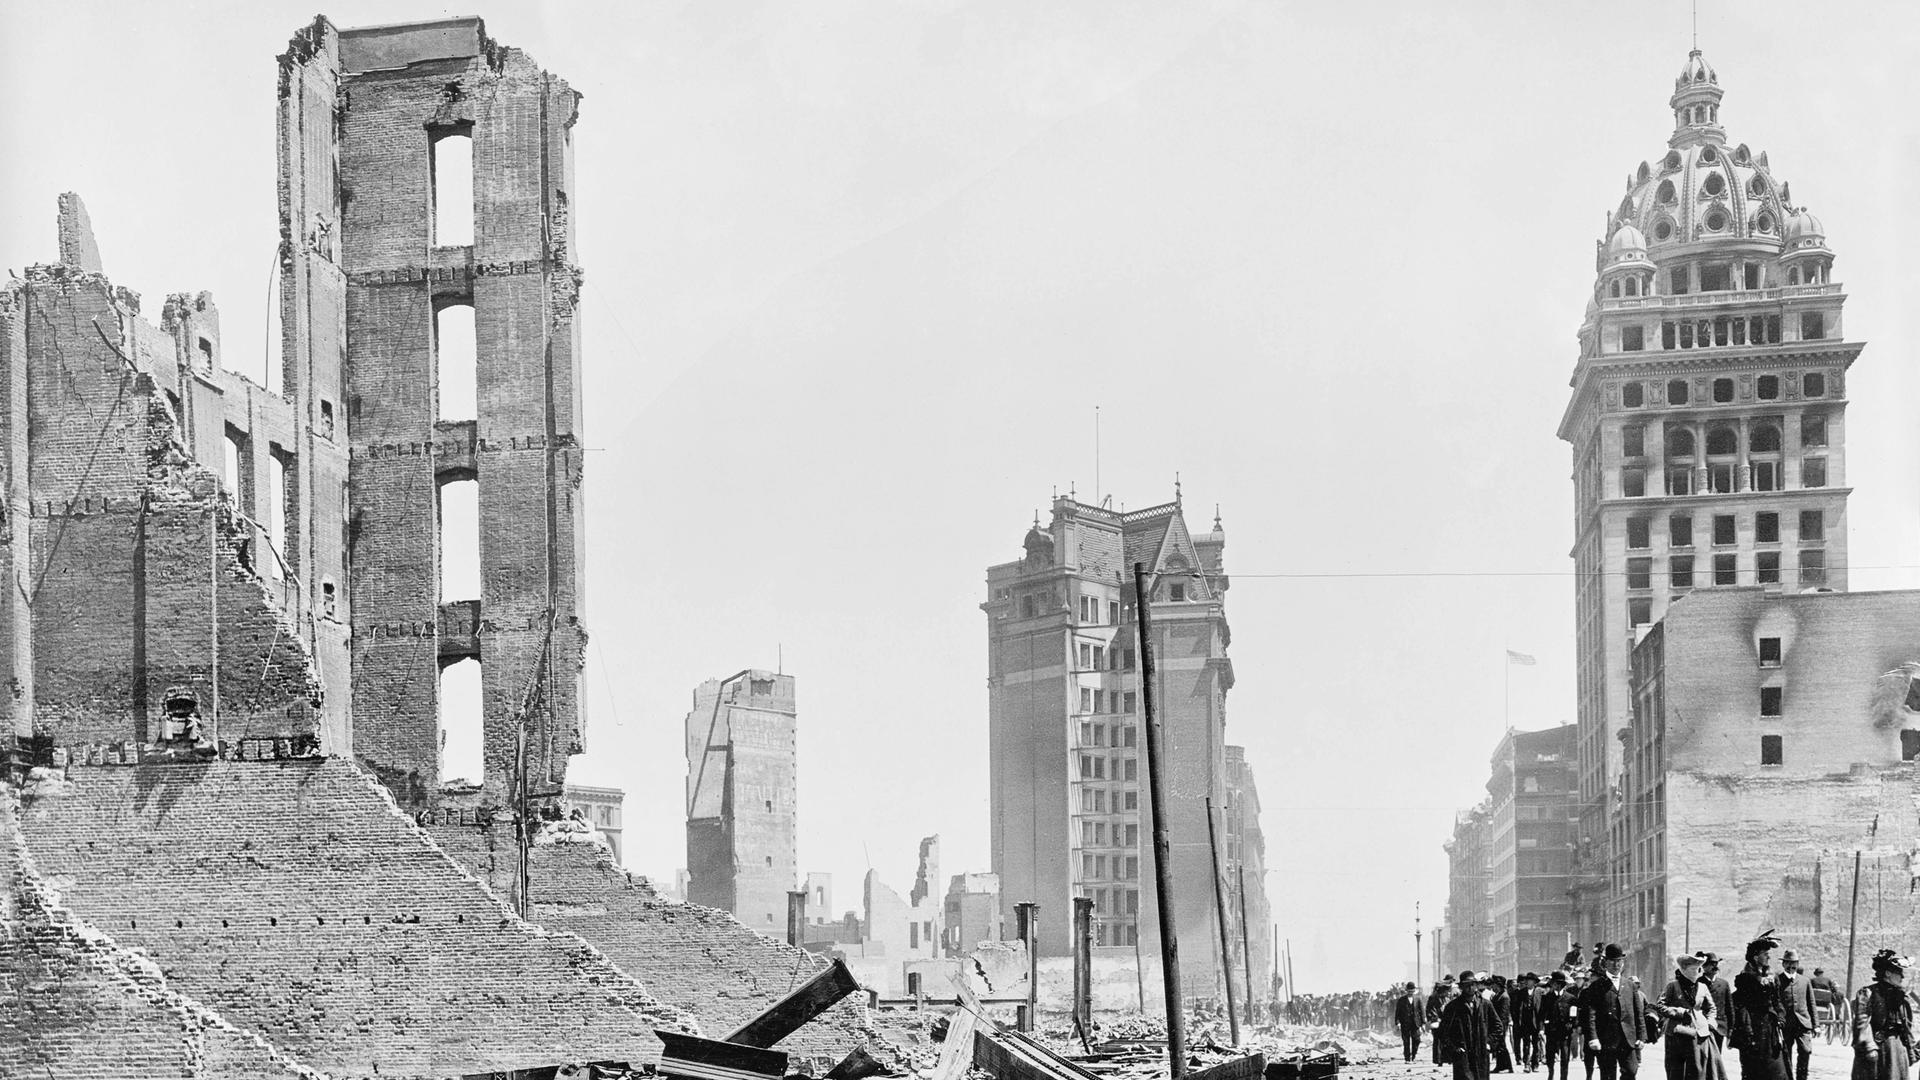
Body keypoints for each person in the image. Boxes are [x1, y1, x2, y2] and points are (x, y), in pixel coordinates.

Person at [1730, 932, 1792, 1080]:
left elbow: (1777, 1002)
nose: (1768, 957)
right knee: (1754, 1071)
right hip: (1752, 1031)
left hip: (1771, 1032)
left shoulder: (1773, 977)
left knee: (1776, 1070)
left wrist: (1781, 1017)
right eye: (1765, 954)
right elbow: (1742, 1007)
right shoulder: (1745, 979)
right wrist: (1748, 1030)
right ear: (1755, 957)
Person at [1579, 943, 1644, 1080]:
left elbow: (1638, 1013)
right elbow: (1590, 1014)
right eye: (1613, 961)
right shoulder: (1596, 987)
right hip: (1606, 1039)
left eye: (1619, 961)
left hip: (1628, 1039)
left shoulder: (1630, 985)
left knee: (1631, 1071)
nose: (1616, 965)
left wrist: (1641, 1036)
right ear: (1605, 963)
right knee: (1608, 1076)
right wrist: (1593, 1038)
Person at [1852, 949, 1913, 1080]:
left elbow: (1907, 1026)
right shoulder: (1868, 993)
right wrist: (1869, 1048)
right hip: (1878, 1049)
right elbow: (1862, 1023)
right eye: (1899, 973)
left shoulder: (1902, 996)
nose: (1902, 977)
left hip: (1897, 1049)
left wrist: (1911, 1051)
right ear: (1888, 973)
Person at [1658, 952, 1717, 1080]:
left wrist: (1710, 1023)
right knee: (1675, 1071)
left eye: (1698, 969)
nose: (1696, 972)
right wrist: (1679, 1012)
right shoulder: (1673, 986)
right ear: (1683, 970)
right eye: (1692, 969)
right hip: (1676, 1034)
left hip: (1698, 1035)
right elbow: (1661, 1006)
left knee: (1697, 1070)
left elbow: (1711, 1008)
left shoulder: (1702, 987)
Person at [1444, 971, 1496, 1080]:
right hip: (1463, 1054)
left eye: (1473, 984)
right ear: (1461, 987)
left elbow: (1497, 1026)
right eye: (1466, 985)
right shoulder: (1453, 1007)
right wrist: (1454, 1048)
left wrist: (1489, 1043)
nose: (1470, 988)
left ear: (1476, 986)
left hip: (1481, 1052)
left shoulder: (1485, 1004)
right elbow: (1443, 1032)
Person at [1780, 949, 1817, 1080]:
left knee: (1806, 1051)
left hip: (1803, 1024)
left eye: (1794, 963)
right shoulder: (1777, 981)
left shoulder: (1805, 981)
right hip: (1786, 1025)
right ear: (1783, 964)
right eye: (1788, 963)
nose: (1791, 966)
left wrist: (1816, 1024)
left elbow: (1811, 1003)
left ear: (1798, 964)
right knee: (1786, 1054)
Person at [1699, 953, 1731, 1080]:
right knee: (1703, 1059)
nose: (1714, 967)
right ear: (1704, 967)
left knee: (1717, 1059)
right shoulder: (1698, 983)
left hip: (1720, 1028)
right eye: (1711, 964)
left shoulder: (1723, 984)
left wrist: (1731, 1030)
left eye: (1716, 964)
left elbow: (1730, 1008)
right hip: (1702, 1028)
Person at [1543, 970, 1577, 1080]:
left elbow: (1575, 1014)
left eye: (1555, 983)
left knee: (1565, 1056)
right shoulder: (1547, 997)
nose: (1553, 985)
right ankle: (1551, 1073)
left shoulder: (1570, 998)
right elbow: (1542, 1014)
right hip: (1551, 1031)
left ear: (1560, 984)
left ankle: (1564, 1077)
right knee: (1550, 1055)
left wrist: (1571, 1024)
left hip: (1565, 1032)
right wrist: (1542, 1027)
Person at [1514, 972, 1543, 1073]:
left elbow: (1542, 1009)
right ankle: (1526, 1064)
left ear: (1534, 982)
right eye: (1527, 980)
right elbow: (1516, 1008)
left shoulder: (1540, 992)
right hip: (1525, 1022)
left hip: (1536, 1021)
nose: (1527, 982)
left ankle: (1535, 1064)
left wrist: (1542, 1025)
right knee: (1526, 1043)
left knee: (1536, 1044)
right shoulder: (1521, 992)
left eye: (1529, 980)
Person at [1396, 981, 1427, 1063]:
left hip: (1415, 1023)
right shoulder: (1401, 1000)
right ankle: (1407, 1058)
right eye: (1409, 991)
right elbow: (1397, 1012)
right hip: (1405, 1023)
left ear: (1414, 991)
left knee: (1417, 1040)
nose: (1410, 993)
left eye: (1412, 991)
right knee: (1406, 1041)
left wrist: (1423, 1023)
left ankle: (1413, 1055)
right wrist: (1398, 1022)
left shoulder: (1418, 999)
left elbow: (1422, 1011)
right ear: (1406, 991)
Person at [1491, 975, 1516, 1073]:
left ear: (1498, 985)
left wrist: (1499, 1026)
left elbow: (1504, 1014)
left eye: (1494, 984)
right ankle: (1500, 1065)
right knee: (1499, 1045)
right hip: (1497, 1024)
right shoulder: (1498, 995)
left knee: (1501, 1045)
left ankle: (1508, 1066)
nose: (1492, 986)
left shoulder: (1504, 997)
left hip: (1501, 1024)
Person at [1432, 977, 1459, 1066]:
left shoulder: (1447, 998)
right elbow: (1431, 1009)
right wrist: (1436, 1018)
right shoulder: (1434, 998)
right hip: (1438, 1022)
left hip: (1447, 1022)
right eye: (1446, 991)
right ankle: (1439, 1060)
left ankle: (1448, 1059)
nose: (1448, 993)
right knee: (1438, 1042)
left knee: (1448, 1040)